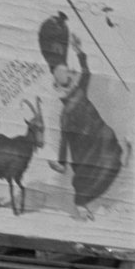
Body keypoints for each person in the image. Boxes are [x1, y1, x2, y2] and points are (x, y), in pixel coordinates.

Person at [39, 12, 123, 211]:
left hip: (98, 135)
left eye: (67, 71)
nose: (68, 73)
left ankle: (117, 161)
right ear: (62, 87)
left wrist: (79, 51)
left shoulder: (80, 88)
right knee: (87, 176)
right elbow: (65, 140)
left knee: (109, 140)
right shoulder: (66, 114)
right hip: (86, 149)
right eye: (64, 75)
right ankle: (81, 203)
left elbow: (86, 72)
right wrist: (61, 163)